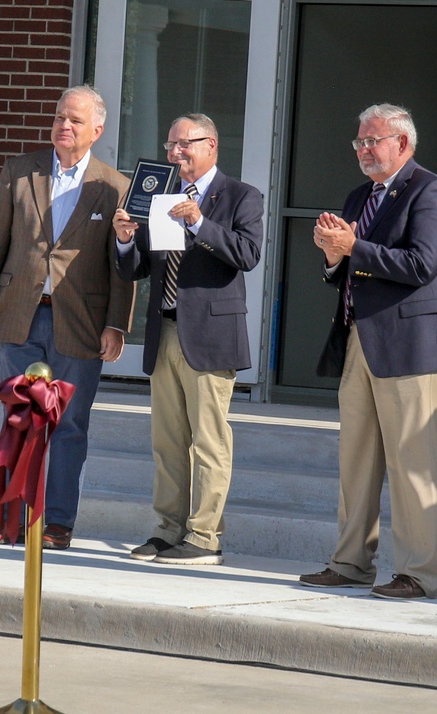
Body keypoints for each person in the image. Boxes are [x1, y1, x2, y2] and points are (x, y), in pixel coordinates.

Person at [299, 104, 437, 599]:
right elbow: (349, 268)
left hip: (412, 347)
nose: (364, 150)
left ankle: (420, 572)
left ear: (403, 144)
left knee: (412, 464)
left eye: (374, 141)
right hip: (359, 342)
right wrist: (333, 257)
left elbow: (421, 264)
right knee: (357, 462)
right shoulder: (359, 196)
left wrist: (352, 248)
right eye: (359, 143)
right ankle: (350, 562)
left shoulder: (431, 191)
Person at [0, 85, 135, 551]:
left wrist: (116, 324)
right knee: (17, 419)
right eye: (60, 117)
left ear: (96, 130)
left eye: (76, 120)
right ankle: (7, 518)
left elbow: (122, 265)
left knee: (70, 425)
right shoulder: (20, 172)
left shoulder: (114, 186)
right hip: (19, 316)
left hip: (78, 324)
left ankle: (56, 522)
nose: (64, 125)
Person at [112, 113, 263, 566]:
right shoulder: (159, 195)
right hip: (165, 330)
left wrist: (199, 222)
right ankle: (167, 530)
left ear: (211, 144)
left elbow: (247, 254)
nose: (175, 153)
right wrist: (124, 241)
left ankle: (204, 537)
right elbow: (139, 268)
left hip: (210, 336)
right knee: (168, 441)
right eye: (170, 145)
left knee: (209, 441)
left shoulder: (241, 195)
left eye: (185, 144)